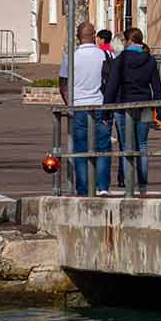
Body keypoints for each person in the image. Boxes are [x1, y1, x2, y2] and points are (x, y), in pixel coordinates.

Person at [104, 27, 161, 195]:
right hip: (144, 105)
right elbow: (157, 87)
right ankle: (143, 184)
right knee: (142, 145)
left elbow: (112, 86)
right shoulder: (150, 60)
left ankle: (129, 185)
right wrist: (159, 109)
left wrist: (106, 110)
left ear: (128, 41)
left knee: (127, 147)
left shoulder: (120, 60)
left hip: (123, 107)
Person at [60, 23, 112, 196]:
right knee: (103, 148)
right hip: (101, 104)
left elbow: (63, 84)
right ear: (94, 35)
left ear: (77, 36)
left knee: (81, 149)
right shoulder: (106, 54)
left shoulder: (71, 57)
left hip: (79, 106)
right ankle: (102, 187)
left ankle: (82, 189)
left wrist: (70, 104)